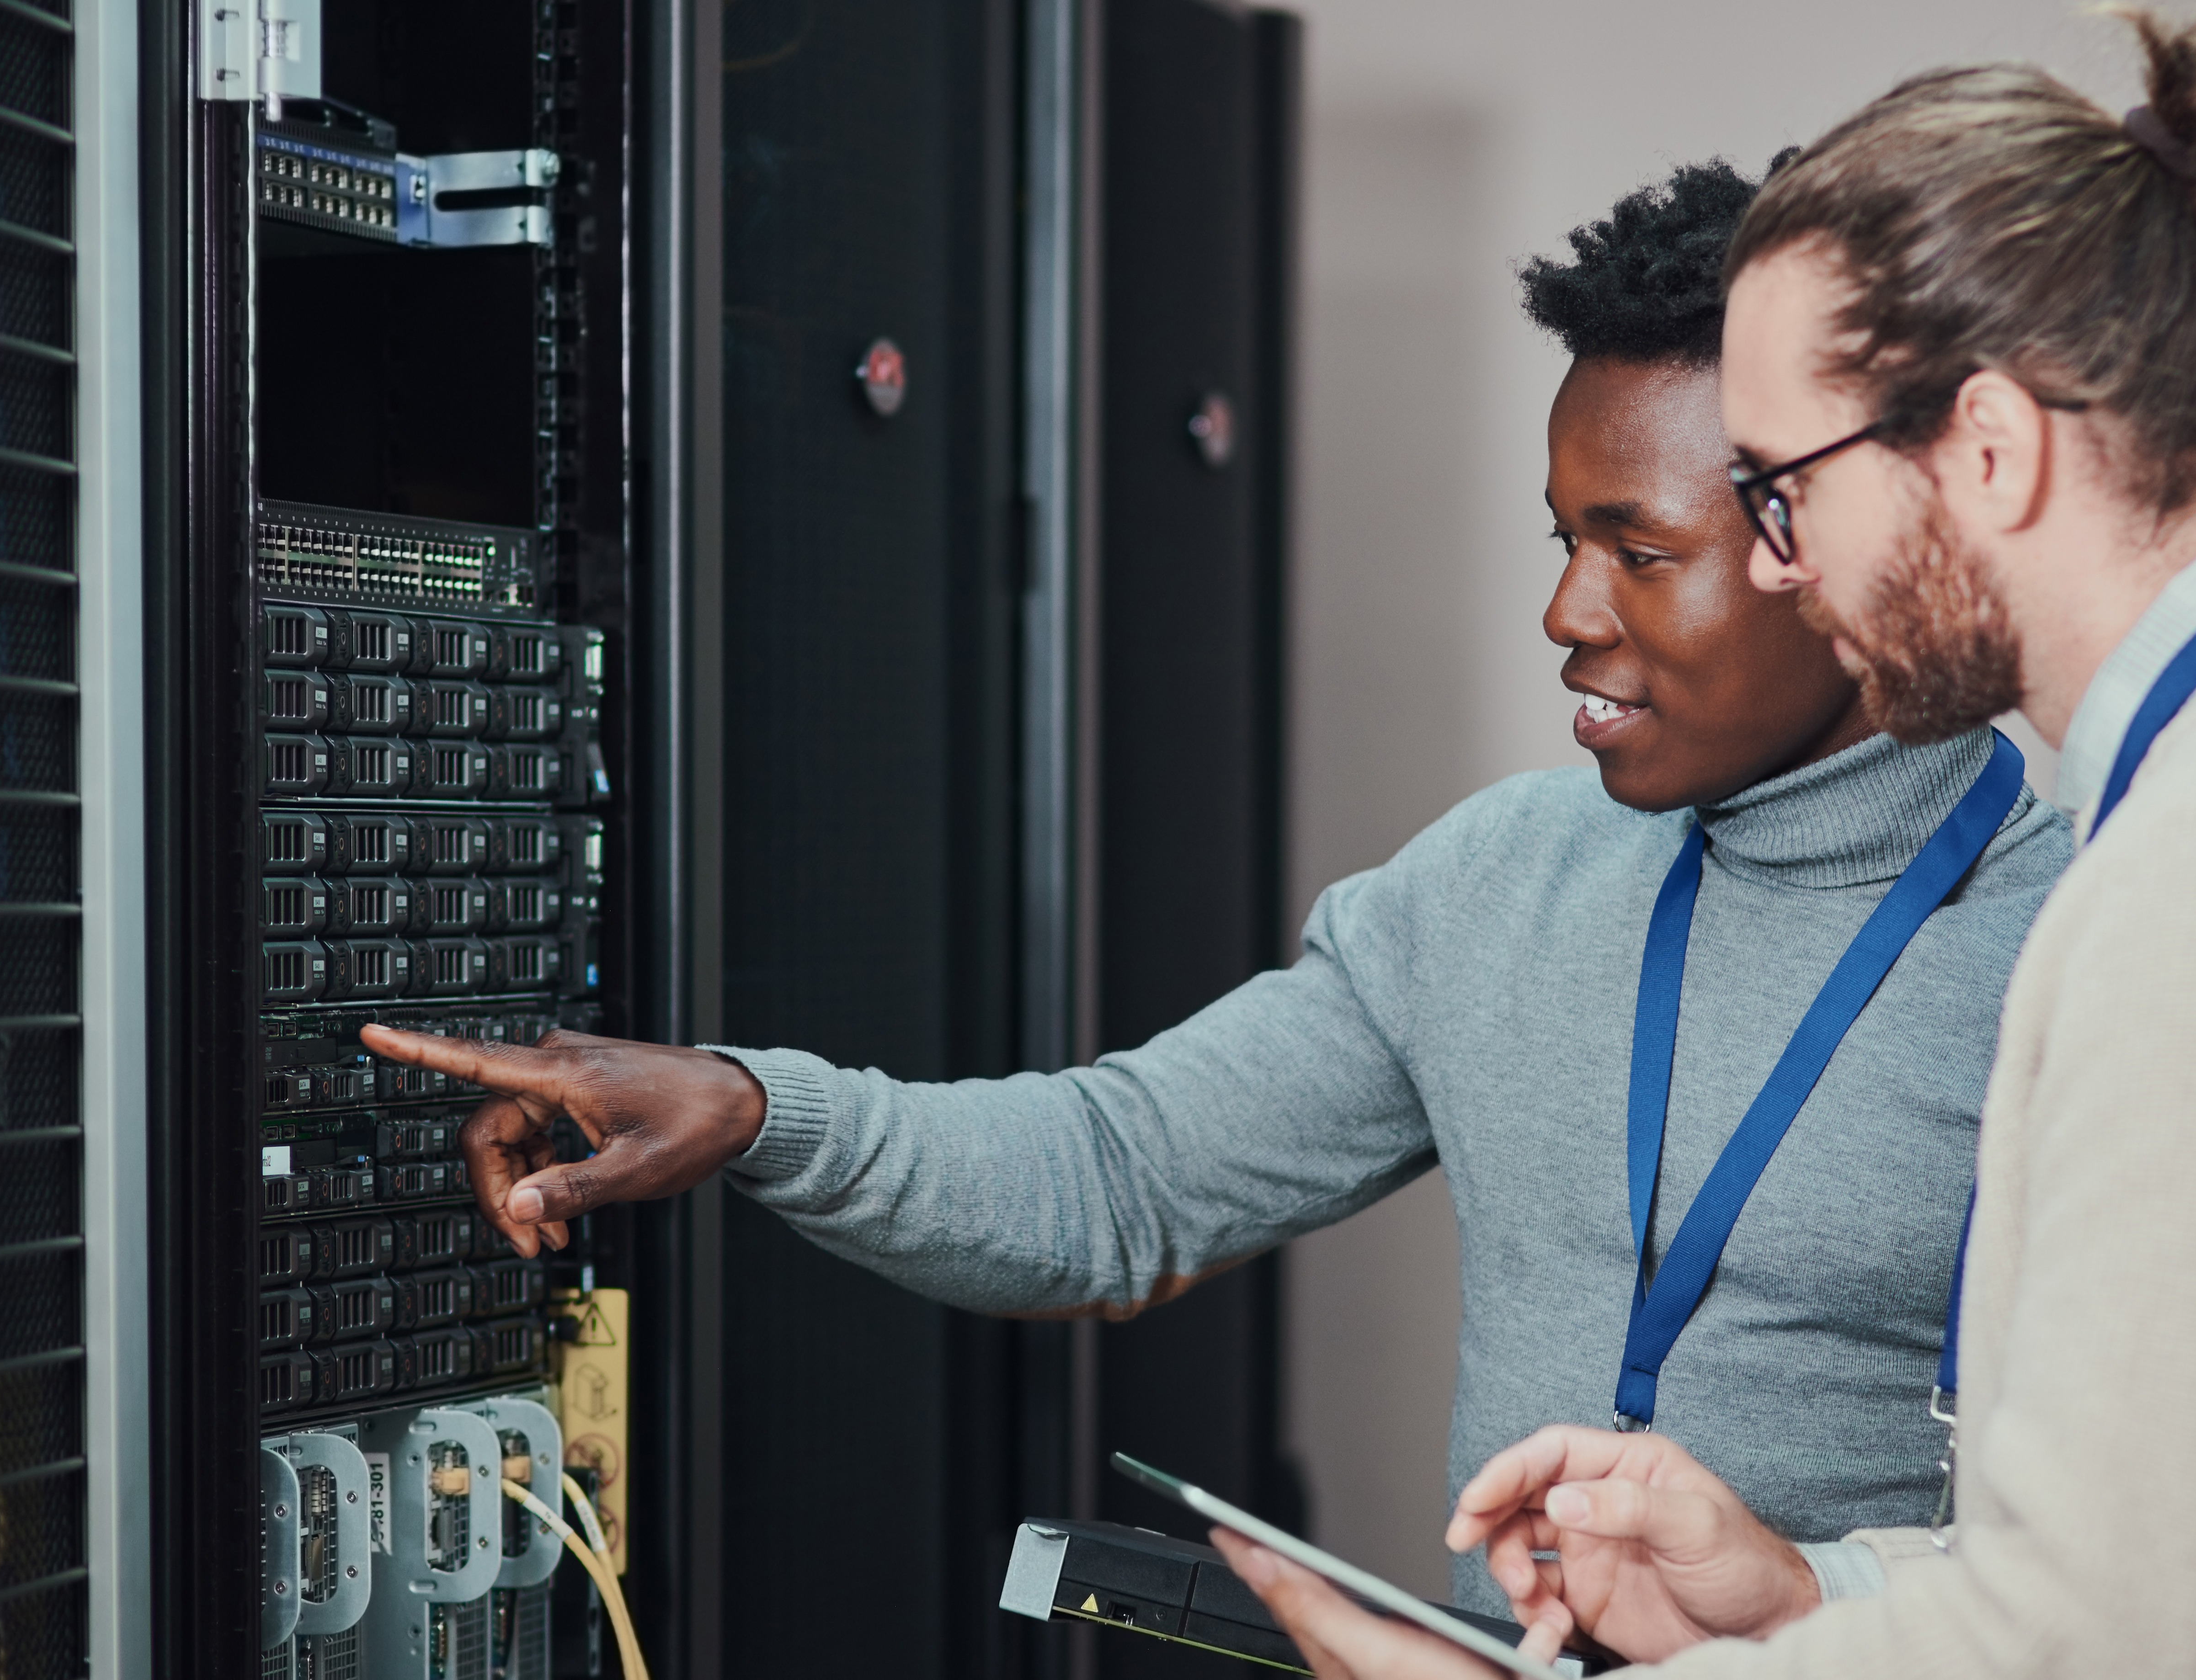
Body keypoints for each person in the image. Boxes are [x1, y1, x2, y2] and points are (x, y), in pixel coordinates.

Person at [362, 161, 2073, 1611]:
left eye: (1639, 551)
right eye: (1561, 539)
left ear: (1839, 542)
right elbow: (1124, 1177)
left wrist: (1787, 1611)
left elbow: (2135, 1575)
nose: (1566, 611)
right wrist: (758, 1110)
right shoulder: (1501, 883)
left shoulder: (2084, 949)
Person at [1215, 10, 2196, 1677]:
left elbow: (2096, 1646)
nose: (1783, 565)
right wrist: (1800, 1596)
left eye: (1783, 487)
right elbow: (2138, 1553)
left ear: (1988, 447)